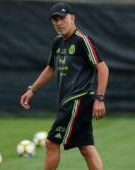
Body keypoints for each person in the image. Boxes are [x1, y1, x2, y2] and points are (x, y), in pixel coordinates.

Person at [20, 2, 109, 170]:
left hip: (78, 100)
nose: (59, 22)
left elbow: (103, 68)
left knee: (51, 142)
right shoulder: (58, 42)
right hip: (69, 102)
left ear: (72, 17)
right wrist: (32, 90)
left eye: (62, 18)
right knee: (86, 147)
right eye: (55, 19)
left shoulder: (82, 40)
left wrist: (100, 99)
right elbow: (51, 68)